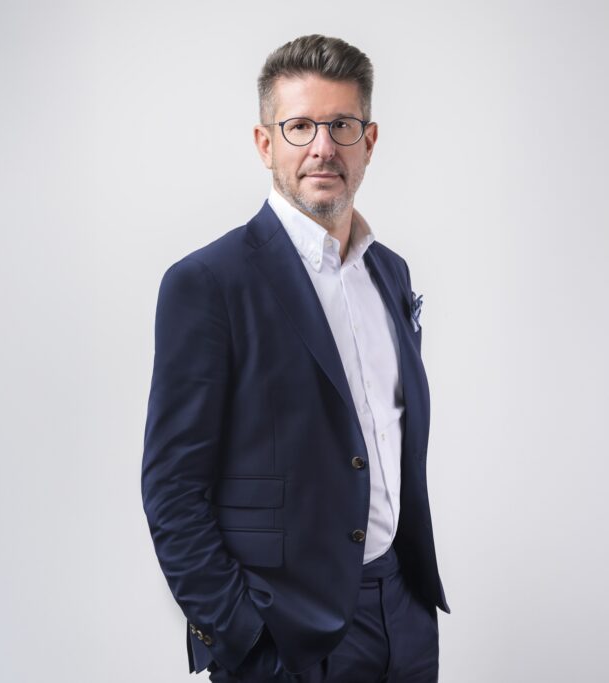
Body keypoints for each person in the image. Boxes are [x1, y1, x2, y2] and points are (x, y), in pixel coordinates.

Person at [141, 34, 448, 682]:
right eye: (300, 126)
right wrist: (247, 639)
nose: (323, 147)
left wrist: (413, 603)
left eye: (342, 125)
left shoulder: (391, 273)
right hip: (286, 637)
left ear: (369, 140)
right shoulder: (209, 283)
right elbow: (172, 492)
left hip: (403, 618)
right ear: (265, 143)